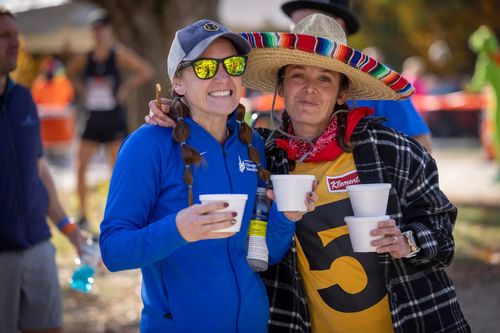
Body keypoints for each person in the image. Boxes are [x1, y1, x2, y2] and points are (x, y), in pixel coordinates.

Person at [146, 14, 470, 333]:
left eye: (325, 79)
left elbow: (442, 233)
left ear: (342, 93)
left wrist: (407, 242)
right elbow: (213, 127)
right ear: (282, 86)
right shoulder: (263, 156)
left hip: (412, 320)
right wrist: (177, 113)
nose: (309, 89)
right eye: (298, 76)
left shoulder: (391, 150)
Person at [99, 19, 317, 332]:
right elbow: (113, 251)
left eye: (232, 64)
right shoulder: (147, 146)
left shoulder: (251, 143)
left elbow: (262, 253)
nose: (222, 77)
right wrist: (178, 229)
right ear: (178, 82)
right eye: (204, 68)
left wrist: (286, 216)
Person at [0, 8, 85, 333]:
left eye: (15, 34)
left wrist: (70, 230)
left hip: (38, 245)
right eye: (4, 35)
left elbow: (38, 170)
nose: (15, 43)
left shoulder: (23, 98)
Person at [282, 0, 433, 152]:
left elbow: (421, 145)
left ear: (338, 24)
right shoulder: (272, 149)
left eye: (308, 23)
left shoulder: (378, 81)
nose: (299, 35)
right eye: (294, 27)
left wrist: (373, 169)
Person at [67, 10, 153, 229]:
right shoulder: (86, 57)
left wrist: (125, 88)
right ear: (92, 32)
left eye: (103, 28)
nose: (99, 33)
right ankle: (83, 215)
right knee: (80, 167)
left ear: (109, 30)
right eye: (95, 29)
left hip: (113, 118)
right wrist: (80, 89)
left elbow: (145, 71)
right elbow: (68, 72)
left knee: (117, 169)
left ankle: (120, 216)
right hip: (92, 118)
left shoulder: (119, 54)